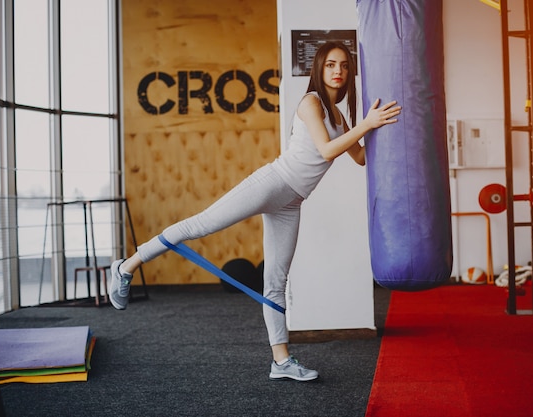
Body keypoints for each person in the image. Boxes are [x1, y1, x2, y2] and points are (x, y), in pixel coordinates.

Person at [109, 41, 401, 382]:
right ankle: (127, 265)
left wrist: (383, 128)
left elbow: (361, 156)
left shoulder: (340, 116)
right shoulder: (312, 103)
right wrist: (366, 125)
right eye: (331, 65)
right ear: (319, 70)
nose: (338, 71)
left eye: (344, 66)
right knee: (200, 225)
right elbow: (324, 151)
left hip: (292, 202)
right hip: (272, 183)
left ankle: (281, 362)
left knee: (276, 281)